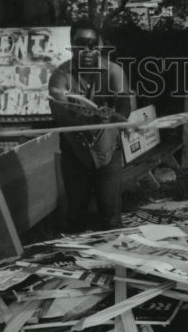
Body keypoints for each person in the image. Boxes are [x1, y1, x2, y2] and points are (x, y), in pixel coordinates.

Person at [49, 18, 134, 231]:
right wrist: (91, 119)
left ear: (100, 45)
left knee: (111, 214)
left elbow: (125, 104)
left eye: (92, 44)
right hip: (74, 153)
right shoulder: (60, 75)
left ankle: (115, 262)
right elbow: (60, 114)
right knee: (76, 215)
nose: (87, 49)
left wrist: (116, 117)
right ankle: (82, 261)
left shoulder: (113, 71)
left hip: (108, 151)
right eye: (80, 44)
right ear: (72, 46)